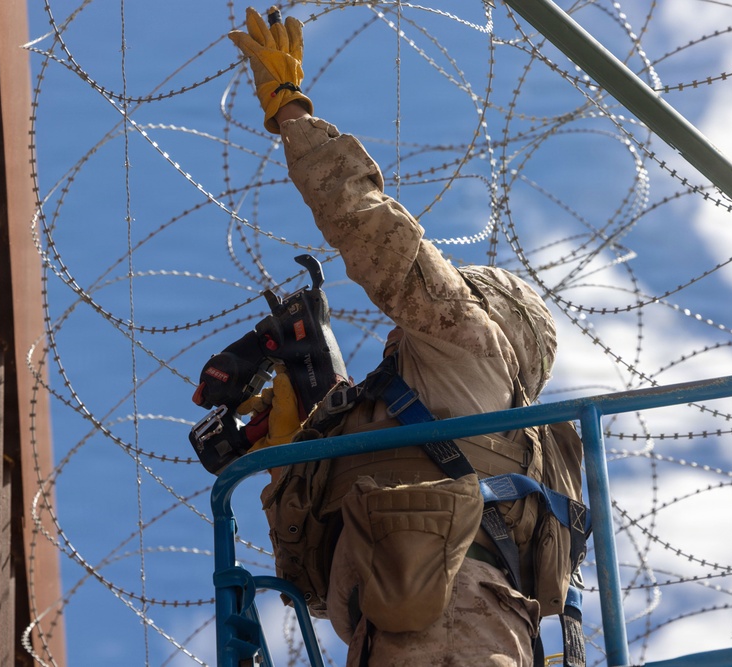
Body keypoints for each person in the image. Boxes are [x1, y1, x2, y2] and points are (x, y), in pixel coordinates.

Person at [228, 7, 579, 667]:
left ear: (497, 319)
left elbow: (380, 242)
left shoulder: (471, 348)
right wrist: (294, 456)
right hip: (407, 630)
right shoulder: (433, 415)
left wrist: (292, 113)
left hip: (453, 630)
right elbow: (327, 583)